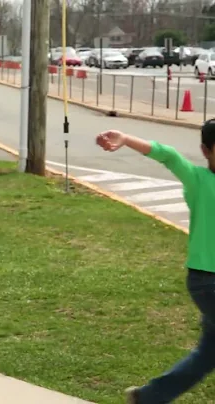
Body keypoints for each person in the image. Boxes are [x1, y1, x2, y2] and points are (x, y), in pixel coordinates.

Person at [96, 124, 215, 404]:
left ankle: (148, 397)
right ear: (205, 151)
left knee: (207, 355)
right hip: (207, 280)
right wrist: (124, 138)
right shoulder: (198, 179)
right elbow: (168, 155)